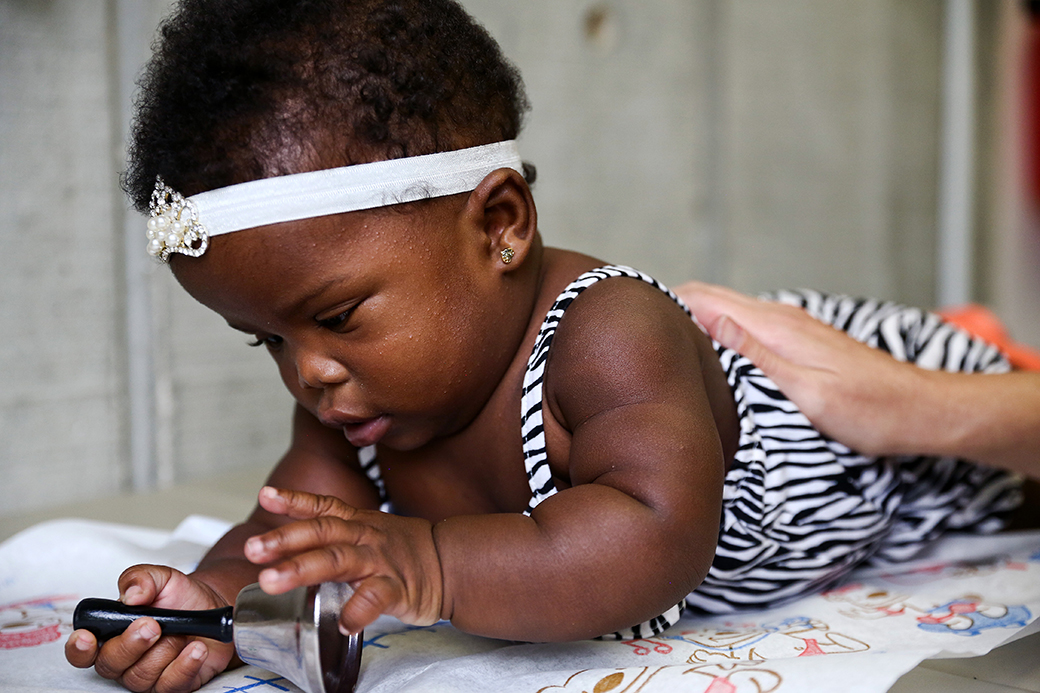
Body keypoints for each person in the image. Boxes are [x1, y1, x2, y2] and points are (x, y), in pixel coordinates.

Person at [64, 1, 1028, 691]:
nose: (308, 369)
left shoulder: (605, 333)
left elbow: (658, 535)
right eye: (265, 338)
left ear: (501, 226)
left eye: (340, 315)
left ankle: (988, 349)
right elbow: (293, 545)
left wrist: (434, 563)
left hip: (880, 439)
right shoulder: (355, 409)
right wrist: (215, 599)